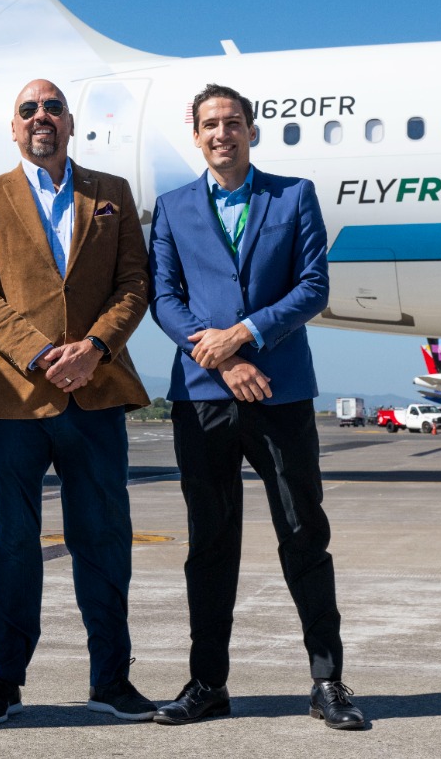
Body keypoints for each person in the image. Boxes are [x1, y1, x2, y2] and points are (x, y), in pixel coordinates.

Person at [147, 83, 367, 730]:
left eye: (233, 122)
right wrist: (222, 358)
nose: (222, 133)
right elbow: (164, 297)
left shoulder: (292, 196)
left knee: (303, 534)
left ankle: (328, 681)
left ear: (252, 131)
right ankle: (207, 684)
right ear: (196, 134)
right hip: (204, 398)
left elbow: (313, 287)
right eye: (211, 124)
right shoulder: (173, 208)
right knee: (210, 544)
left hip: (280, 393)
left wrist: (246, 335)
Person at [0, 79, 155, 724]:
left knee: (104, 541)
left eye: (52, 108)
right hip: (15, 397)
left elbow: (135, 284)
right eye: (28, 110)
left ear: (72, 123)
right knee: (14, 544)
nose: (41, 117)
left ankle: (112, 679)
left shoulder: (111, 195)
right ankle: (4, 680)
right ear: (13, 128)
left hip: (95, 395)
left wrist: (94, 347)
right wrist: (44, 353)